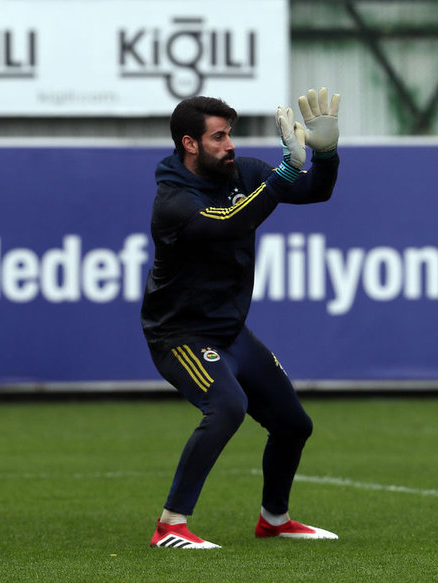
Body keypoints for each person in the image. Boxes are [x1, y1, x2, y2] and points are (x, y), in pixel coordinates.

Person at [141, 87, 341, 549]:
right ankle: (170, 525)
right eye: (218, 137)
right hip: (180, 336)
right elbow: (232, 223)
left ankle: (275, 519)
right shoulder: (173, 201)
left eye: (229, 134)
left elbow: (316, 191)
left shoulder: (242, 172)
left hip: (230, 332)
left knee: (294, 425)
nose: (229, 144)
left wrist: (327, 154)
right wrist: (285, 172)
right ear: (190, 144)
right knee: (227, 406)